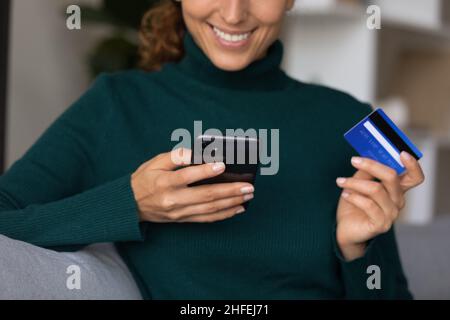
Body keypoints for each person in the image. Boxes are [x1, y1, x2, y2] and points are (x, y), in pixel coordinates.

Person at [0, 0, 424, 299]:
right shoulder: (117, 104)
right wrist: (130, 204)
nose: (234, 12)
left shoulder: (347, 118)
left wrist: (355, 250)